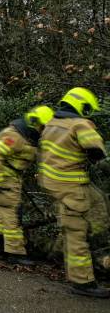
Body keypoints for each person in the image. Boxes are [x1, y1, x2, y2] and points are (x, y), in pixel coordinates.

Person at [38, 87, 110, 298]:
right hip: (71, 186)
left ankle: (99, 250)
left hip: (54, 183)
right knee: (76, 232)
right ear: (82, 106)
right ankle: (83, 281)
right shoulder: (80, 124)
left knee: (98, 202)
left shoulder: (52, 123)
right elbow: (98, 154)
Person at [0, 105, 54, 265]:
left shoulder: (28, 136)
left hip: (11, 177)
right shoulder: (14, 136)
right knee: (12, 214)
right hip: (3, 177)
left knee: (6, 214)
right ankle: (15, 252)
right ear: (38, 123)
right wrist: (0, 181)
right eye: (45, 127)